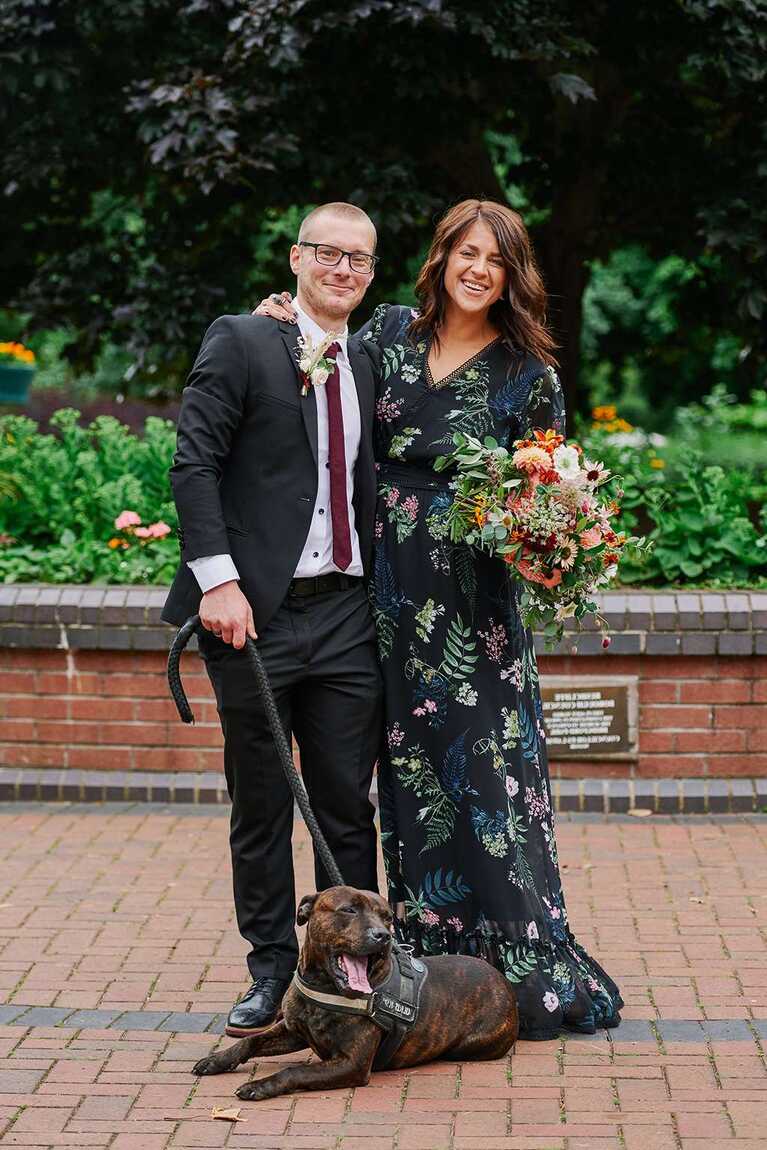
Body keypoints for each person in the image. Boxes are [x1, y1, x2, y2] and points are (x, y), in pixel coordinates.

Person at [256, 198, 623, 1039]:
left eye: (494, 258)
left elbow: (548, 499)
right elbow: (317, 355)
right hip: (375, 596)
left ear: (511, 274)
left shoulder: (528, 375)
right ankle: (409, 964)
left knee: (482, 781)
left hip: (472, 611)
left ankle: (508, 965)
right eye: (464, 251)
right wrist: (280, 315)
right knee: (403, 781)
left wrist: (549, 539)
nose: (476, 268)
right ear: (441, 258)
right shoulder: (388, 334)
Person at [162, 202, 384, 1038]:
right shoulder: (242, 338)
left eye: (358, 260)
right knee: (261, 802)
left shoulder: (369, 358)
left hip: (347, 616)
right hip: (251, 617)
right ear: (295, 258)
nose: (342, 269)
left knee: (344, 803)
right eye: (327, 253)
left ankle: (355, 972)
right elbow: (195, 462)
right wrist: (217, 583)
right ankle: (268, 971)